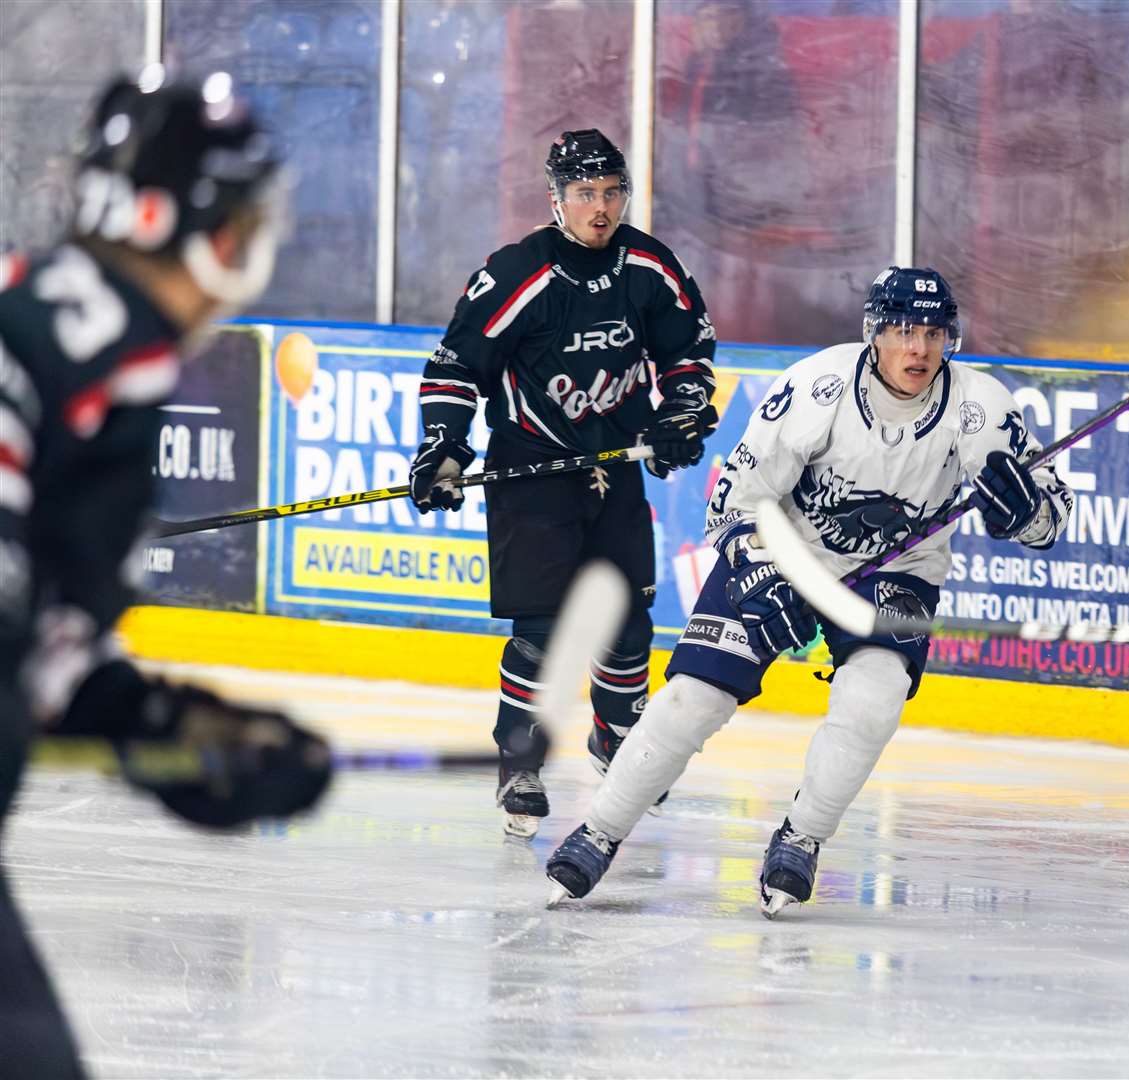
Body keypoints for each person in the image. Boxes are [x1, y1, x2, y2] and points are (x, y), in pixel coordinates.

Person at [543, 267, 1074, 915]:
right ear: (875, 334)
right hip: (785, 551)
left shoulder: (980, 407)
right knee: (692, 699)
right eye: (904, 331)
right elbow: (733, 497)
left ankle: (803, 838)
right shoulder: (818, 386)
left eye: (934, 333)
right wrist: (762, 569)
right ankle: (600, 829)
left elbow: (1051, 515)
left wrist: (1026, 513)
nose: (920, 350)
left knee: (873, 700)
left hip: (896, 572)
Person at [0, 69, 331, 1079]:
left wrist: (178, 732)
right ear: (206, 238)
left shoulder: (58, 334)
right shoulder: (88, 358)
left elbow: (43, 655)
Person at [410, 129, 717, 838]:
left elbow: (688, 354)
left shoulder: (649, 266)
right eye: (585, 194)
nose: (601, 207)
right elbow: (457, 365)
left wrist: (681, 414)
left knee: (629, 626)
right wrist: (443, 446)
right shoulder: (521, 272)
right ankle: (520, 760)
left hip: (612, 471)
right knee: (546, 629)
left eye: (612, 192)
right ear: (556, 199)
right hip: (531, 470)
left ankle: (616, 742)